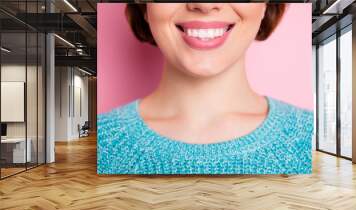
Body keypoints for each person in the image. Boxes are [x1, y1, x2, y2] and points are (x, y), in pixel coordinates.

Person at [98, 3, 314, 174]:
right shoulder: (105, 138)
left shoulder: (307, 135)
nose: (205, 4)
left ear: (265, 5)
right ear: (145, 6)